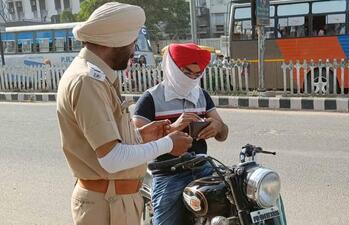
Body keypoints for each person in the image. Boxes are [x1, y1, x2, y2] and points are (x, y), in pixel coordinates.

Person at [56, 3, 192, 225]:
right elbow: (111, 159)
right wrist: (168, 144)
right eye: (132, 42)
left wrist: (141, 137)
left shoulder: (100, 76)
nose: (133, 50)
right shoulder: (88, 81)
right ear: (114, 42)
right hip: (106, 206)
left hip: (115, 201)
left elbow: (110, 142)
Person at [132, 43, 229, 225]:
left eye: (197, 74)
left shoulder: (201, 95)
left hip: (203, 168)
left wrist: (217, 126)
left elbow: (223, 134)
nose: (192, 78)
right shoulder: (151, 98)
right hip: (168, 172)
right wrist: (173, 128)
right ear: (172, 68)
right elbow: (136, 142)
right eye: (187, 73)